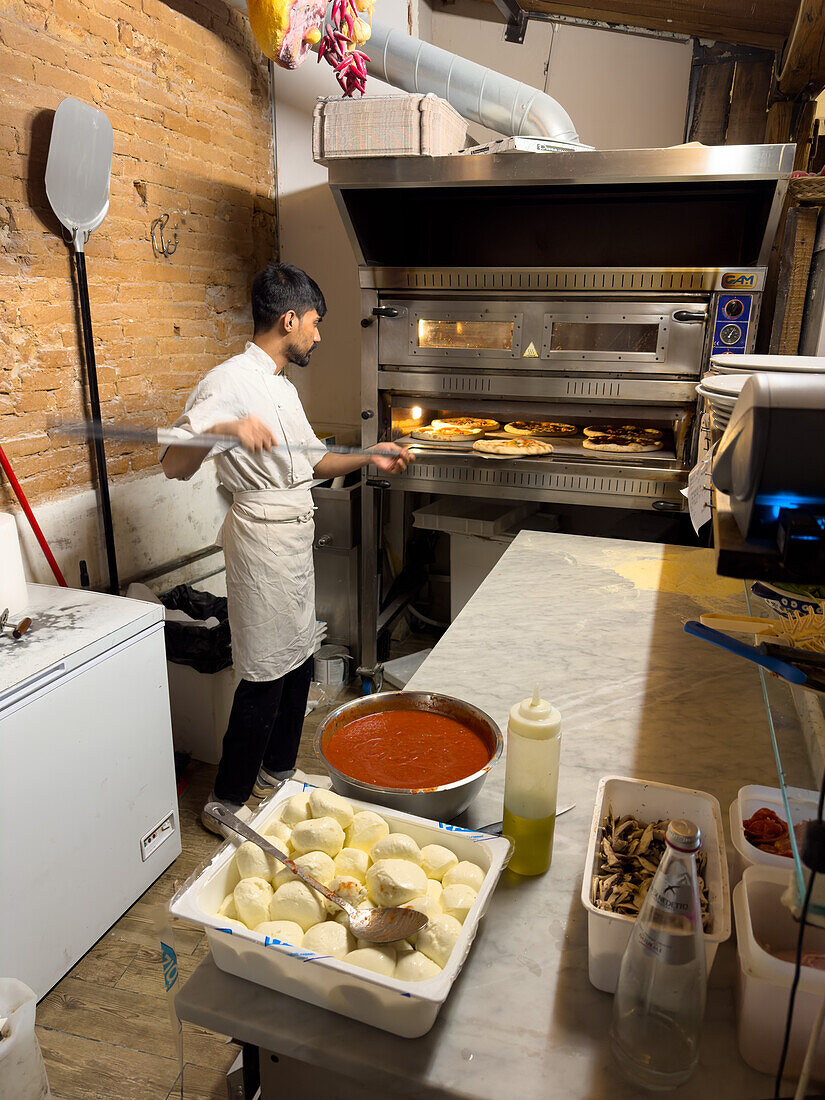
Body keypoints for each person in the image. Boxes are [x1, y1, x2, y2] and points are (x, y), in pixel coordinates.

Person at [161, 263, 411, 833]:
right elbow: (174, 465)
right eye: (315, 323)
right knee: (265, 670)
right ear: (289, 318)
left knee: (298, 656)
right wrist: (224, 431)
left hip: (295, 536)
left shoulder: (281, 387)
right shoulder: (226, 381)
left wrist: (370, 454)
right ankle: (225, 800)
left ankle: (275, 773)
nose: (318, 336)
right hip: (259, 540)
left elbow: (315, 463)